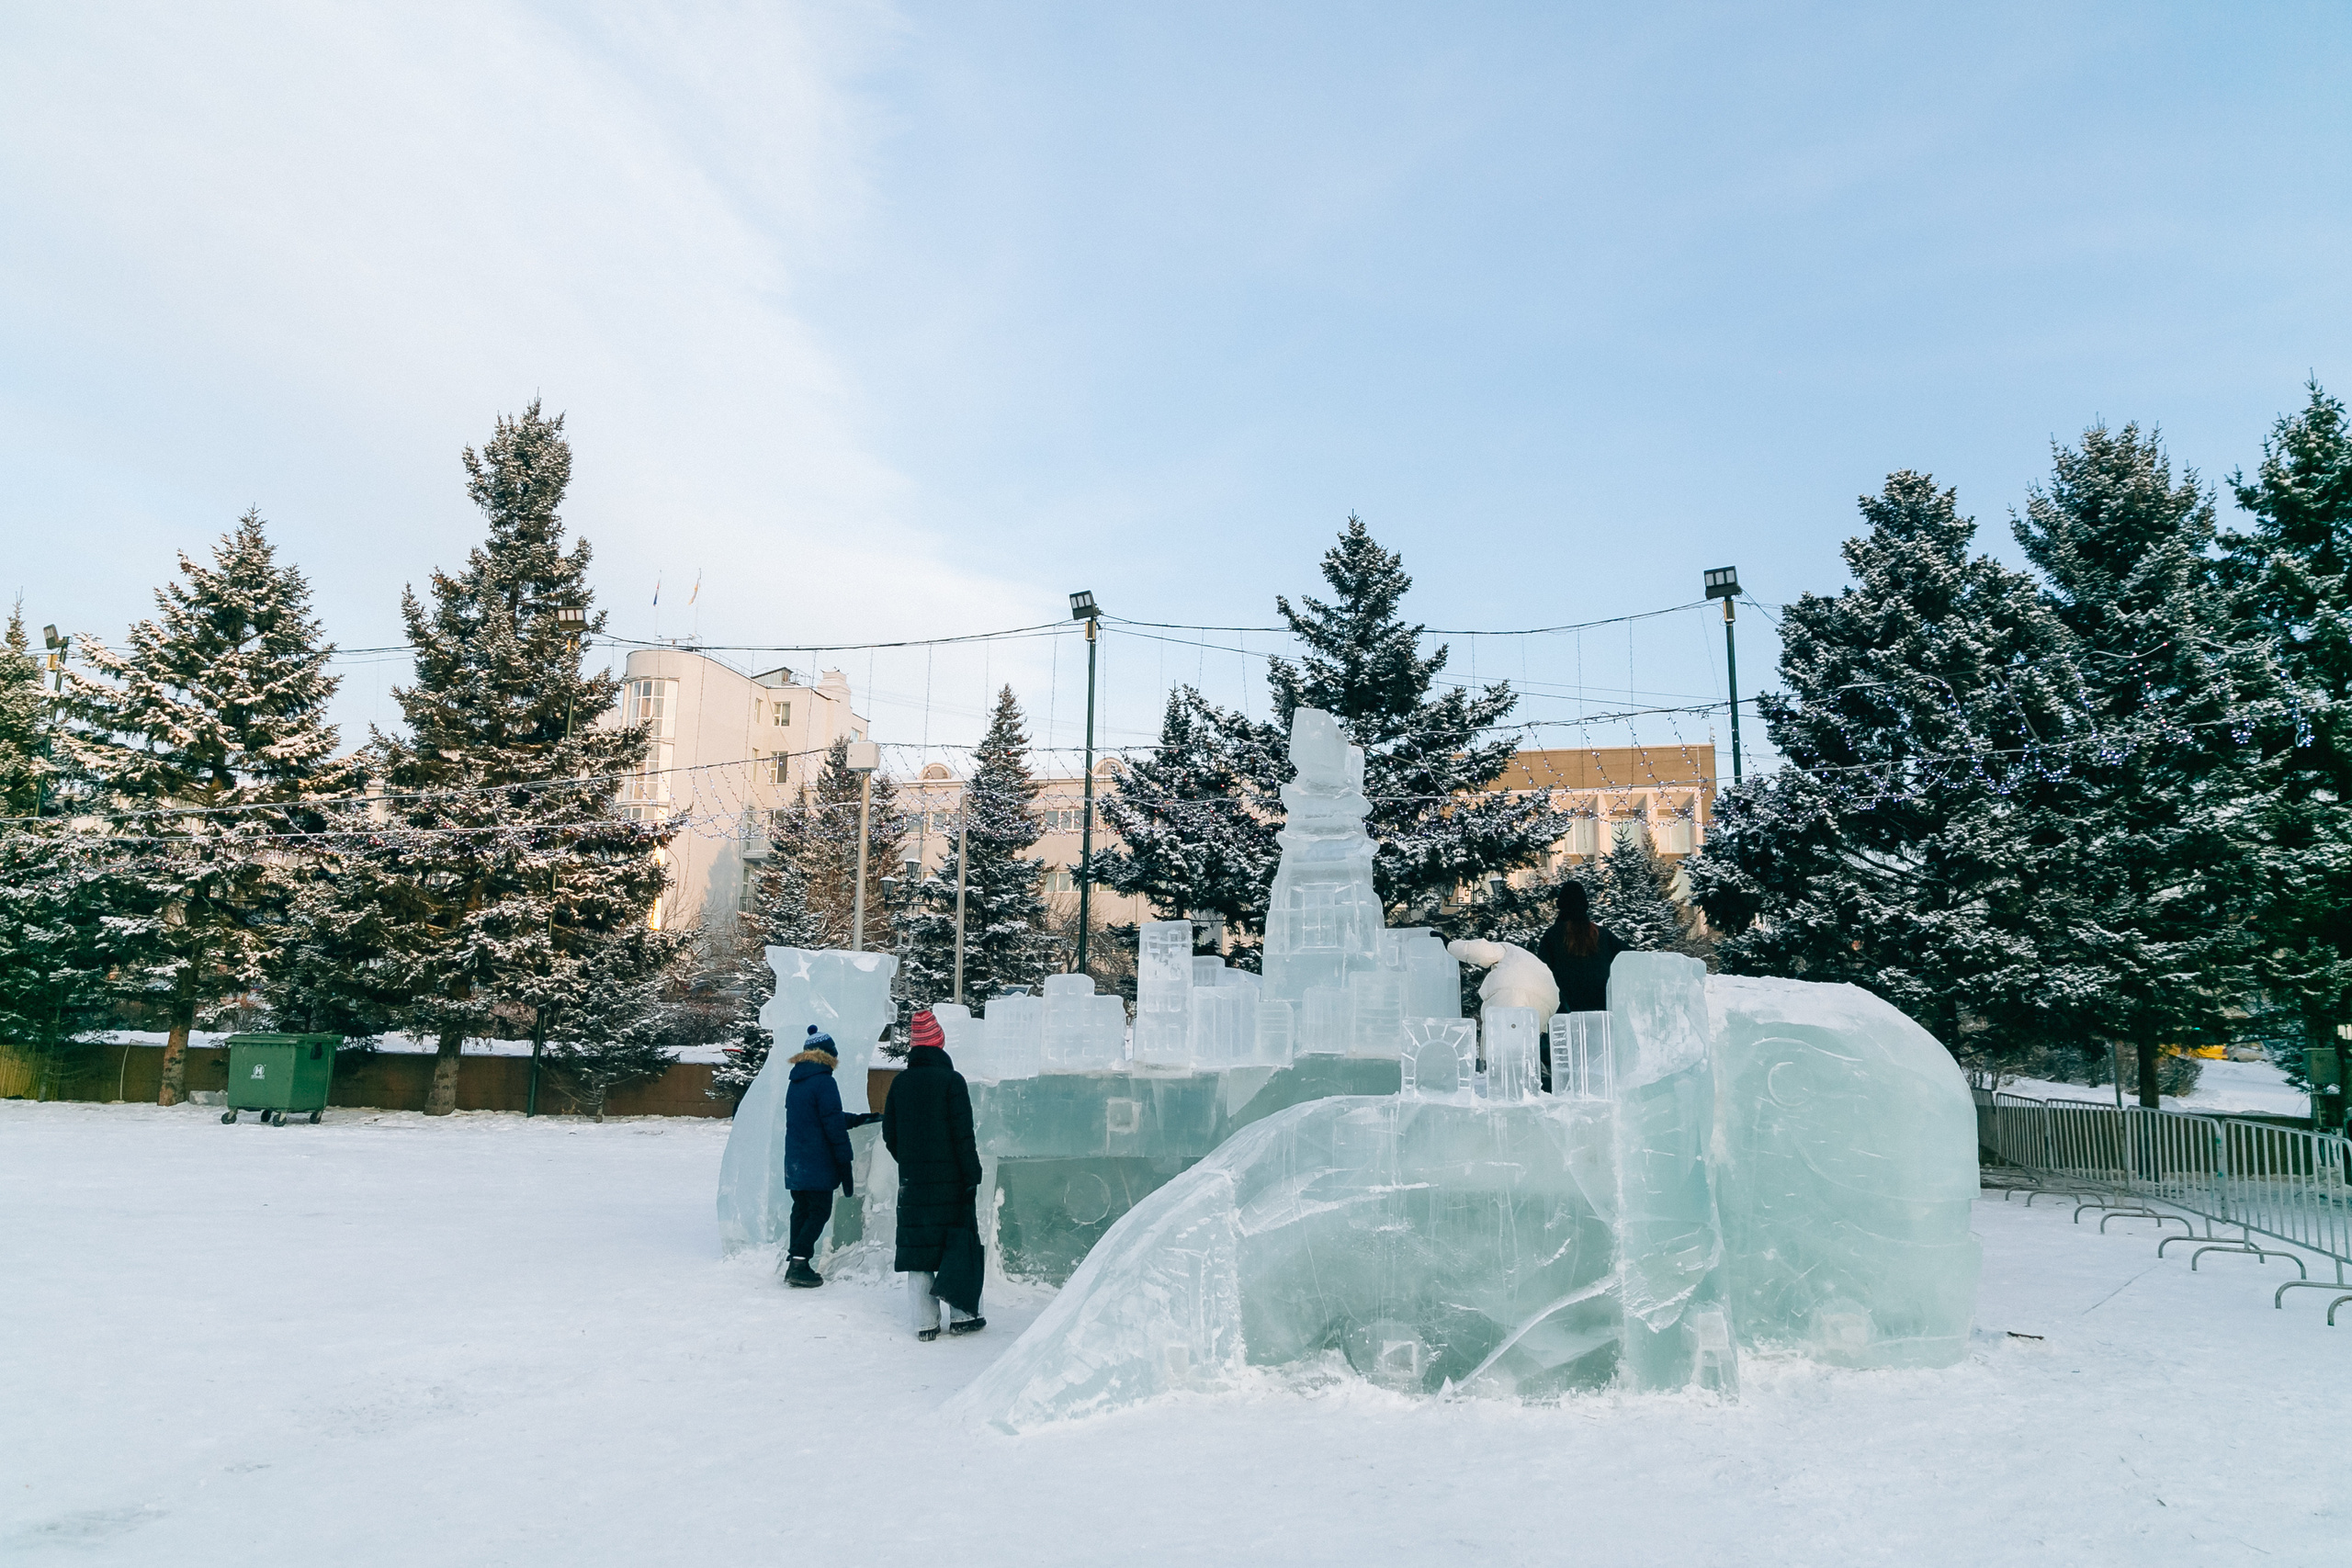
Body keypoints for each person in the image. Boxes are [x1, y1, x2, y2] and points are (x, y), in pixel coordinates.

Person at [883, 1008, 986, 1341]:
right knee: (957, 1245)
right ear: (939, 1044)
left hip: (914, 1184)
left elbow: (890, 1134)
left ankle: (925, 1323)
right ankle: (963, 1315)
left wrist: (910, 1162)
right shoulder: (951, 1082)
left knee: (920, 1251)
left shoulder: (900, 1084)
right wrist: (972, 1174)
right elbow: (963, 1134)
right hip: (953, 1183)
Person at [780, 1025, 877, 1289]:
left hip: (796, 1161)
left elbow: (820, 1118)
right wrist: (845, 1164)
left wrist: (857, 1120)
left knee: (800, 1210)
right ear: (828, 1055)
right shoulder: (824, 1081)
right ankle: (799, 1265)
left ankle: (795, 1262)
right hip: (817, 1162)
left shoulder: (797, 1081)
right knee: (819, 1211)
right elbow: (832, 1127)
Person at [1532, 882, 1626, 1090]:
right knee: (1598, 1078)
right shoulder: (1603, 935)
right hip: (1599, 1019)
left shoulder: (1552, 936)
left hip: (1564, 1019)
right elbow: (1630, 958)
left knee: (1568, 1082)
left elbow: (1542, 975)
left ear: (1560, 905)